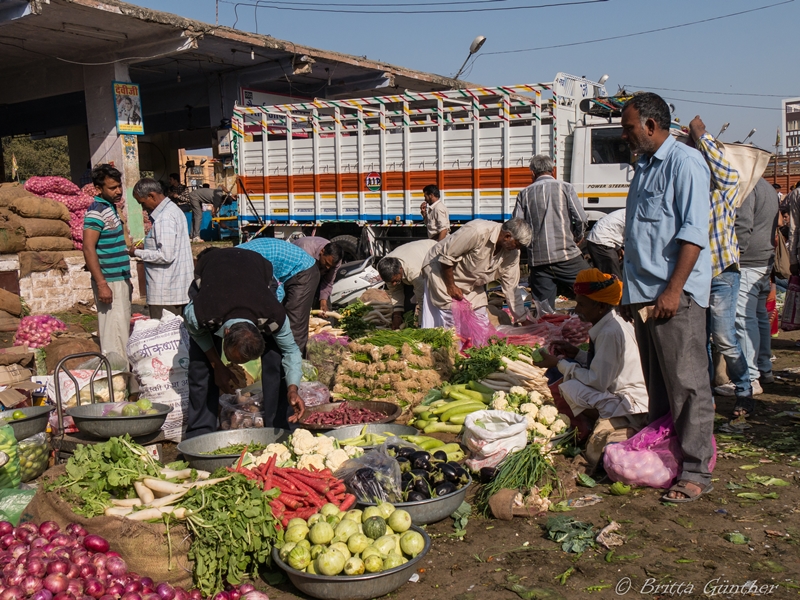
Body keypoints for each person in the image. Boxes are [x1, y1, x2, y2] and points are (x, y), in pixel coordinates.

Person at [620, 93, 715, 503]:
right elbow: (639, 237)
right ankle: (668, 454)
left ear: (651, 126)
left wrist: (674, 289)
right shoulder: (642, 168)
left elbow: (693, 234)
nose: (626, 135)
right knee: (660, 385)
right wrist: (630, 292)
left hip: (673, 296)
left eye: (629, 128)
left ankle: (695, 471)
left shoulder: (686, 163)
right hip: (644, 296)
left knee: (688, 384)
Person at [183, 248, 304, 438]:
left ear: (260, 331)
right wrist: (217, 365)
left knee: (275, 358)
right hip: (214, 270)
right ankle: (200, 433)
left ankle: (279, 429)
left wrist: (293, 388)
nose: (238, 366)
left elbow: (292, 351)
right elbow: (197, 333)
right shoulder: (200, 312)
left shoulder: (273, 316)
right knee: (200, 366)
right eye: (232, 358)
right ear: (226, 332)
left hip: (257, 270)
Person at [534, 268, 648, 469]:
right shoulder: (613, 322)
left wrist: (559, 364)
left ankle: (593, 426)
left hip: (631, 403)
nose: (577, 309)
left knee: (569, 385)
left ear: (600, 306)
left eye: (582, 304)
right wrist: (576, 353)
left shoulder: (610, 332)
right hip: (633, 395)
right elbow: (605, 365)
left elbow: (598, 380)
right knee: (569, 372)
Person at [687, 116, 754, 408]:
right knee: (700, 341)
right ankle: (707, 398)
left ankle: (744, 389)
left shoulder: (723, 193)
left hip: (723, 274)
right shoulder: (691, 194)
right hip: (697, 276)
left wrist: (702, 137)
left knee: (724, 338)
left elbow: (728, 174)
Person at [421, 218, 531, 328]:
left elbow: (511, 287)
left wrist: (522, 319)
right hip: (440, 272)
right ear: (507, 236)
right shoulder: (477, 231)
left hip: (470, 281)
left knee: (481, 319)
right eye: (517, 244)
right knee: (453, 320)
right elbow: (446, 257)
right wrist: (451, 286)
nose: (517, 249)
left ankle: (476, 344)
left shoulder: (513, 254)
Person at [513, 154, 589, 310]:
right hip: (566, 255)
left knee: (544, 309)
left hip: (539, 261)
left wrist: (529, 248)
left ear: (532, 173)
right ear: (552, 170)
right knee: (592, 288)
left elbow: (518, 227)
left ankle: (547, 333)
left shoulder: (524, 194)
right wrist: (578, 236)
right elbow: (581, 218)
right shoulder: (565, 187)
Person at [732, 178, 780, 417]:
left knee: (743, 318)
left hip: (749, 262)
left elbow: (743, 224)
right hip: (764, 260)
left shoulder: (747, 186)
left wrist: (734, 256)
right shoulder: (767, 186)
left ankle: (751, 377)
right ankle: (764, 369)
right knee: (759, 315)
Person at [83, 164, 132, 366]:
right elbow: (88, 248)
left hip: (120, 279)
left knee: (122, 330)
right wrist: (102, 283)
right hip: (109, 281)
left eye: (119, 186)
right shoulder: (95, 212)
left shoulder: (111, 208)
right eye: (112, 188)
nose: (118, 191)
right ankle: (116, 376)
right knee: (114, 333)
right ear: (98, 188)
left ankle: (124, 374)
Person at [238, 237, 321, 354]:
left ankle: (297, 366)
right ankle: (274, 364)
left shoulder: (246, 263)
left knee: (293, 325)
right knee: (272, 326)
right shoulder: (233, 259)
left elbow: (276, 289)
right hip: (283, 271)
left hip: (303, 270)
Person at [129, 178, 194, 320]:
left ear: (151, 196)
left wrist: (136, 252)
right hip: (175, 289)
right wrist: (147, 246)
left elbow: (165, 255)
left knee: (165, 336)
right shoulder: (173, 211)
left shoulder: (165, 217)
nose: (143, 208)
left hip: (166, 293)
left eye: (142, 202)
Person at [377, 239, 437, 329]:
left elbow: (422, 299)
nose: (393, 284)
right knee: (406, 307)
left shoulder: (415, 272)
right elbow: (395, 291)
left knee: (431, 300)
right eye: (391, 281)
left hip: (433, 256)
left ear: (400, 269)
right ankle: (407, 325)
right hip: (411, 257)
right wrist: (397, 314)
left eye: (394, 280)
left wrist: (422, 325)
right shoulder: (384, 268)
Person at [291, 237, 344, 314]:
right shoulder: (306, 251)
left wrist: (323, 302)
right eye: (326, 263)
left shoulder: (335, 261)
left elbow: (328, 282)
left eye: (331, 266)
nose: (328, 267)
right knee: (299, 309)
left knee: (326, 310)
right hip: (297, 275)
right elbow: (302, 283)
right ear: (322, 251)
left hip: (315, 273)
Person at [585, 209, 625, 280]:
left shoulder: (630, 211)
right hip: (601, 242)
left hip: (600, 240)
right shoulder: (635, 214)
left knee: (607, 278)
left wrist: (619, 248)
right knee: (614, 280)